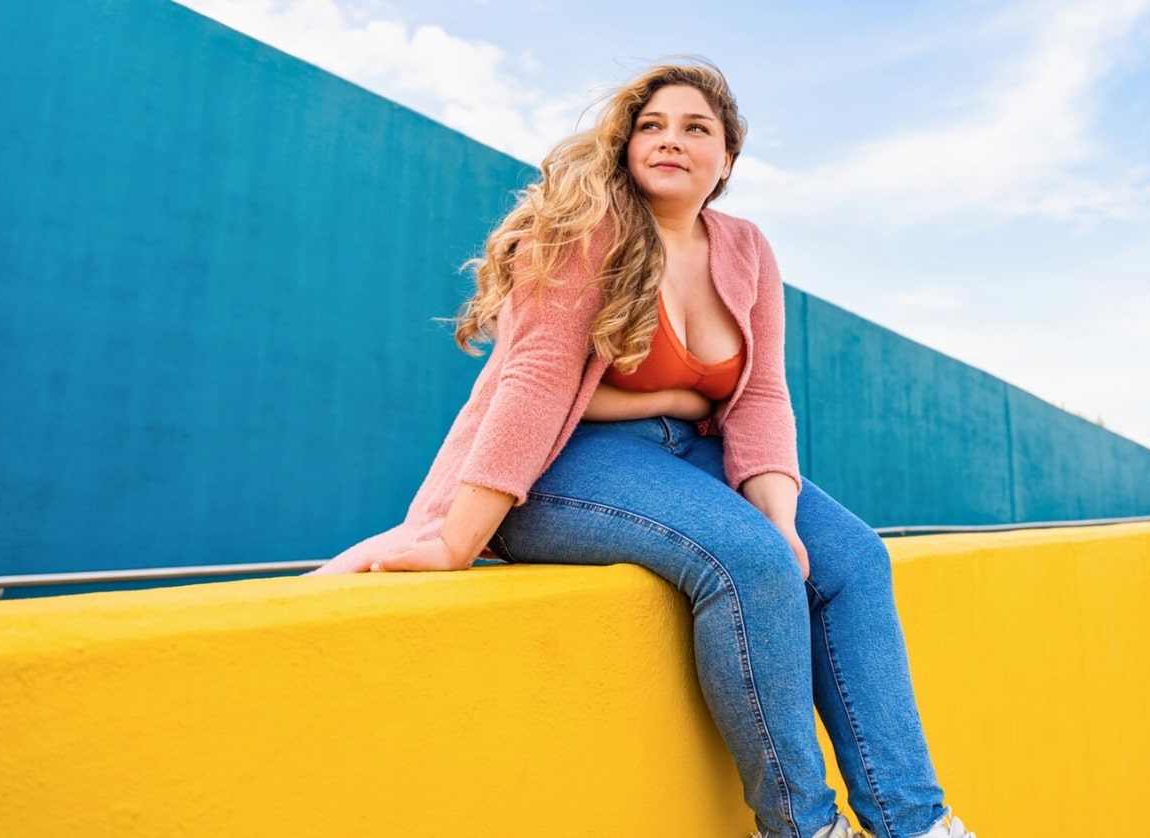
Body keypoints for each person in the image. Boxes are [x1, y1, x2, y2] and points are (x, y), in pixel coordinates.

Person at [310, 59, 975, 838]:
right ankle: (802, 826)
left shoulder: (746, 247)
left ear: (725, 162)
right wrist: (458, 538)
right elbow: (535, 382)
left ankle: (914, 822)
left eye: (697, 129)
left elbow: (760, 396)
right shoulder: (586, 228)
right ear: (627, 145)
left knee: (854, 560)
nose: (671, 140)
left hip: (687, 458)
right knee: (749, 563)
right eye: (652, 126)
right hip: (558, 464)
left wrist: (784, 519)